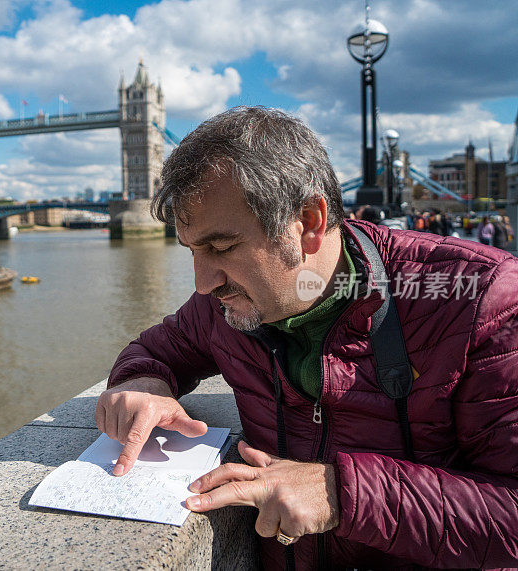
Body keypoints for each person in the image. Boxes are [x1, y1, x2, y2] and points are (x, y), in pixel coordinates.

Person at [96, 106, 518, 569]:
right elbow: (156, 351)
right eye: (193, 250)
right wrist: (142, 385)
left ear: (310, 222)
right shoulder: (223, 306)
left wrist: (343, 494)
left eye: (220, 247)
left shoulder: (481, 299)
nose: (202, 282)